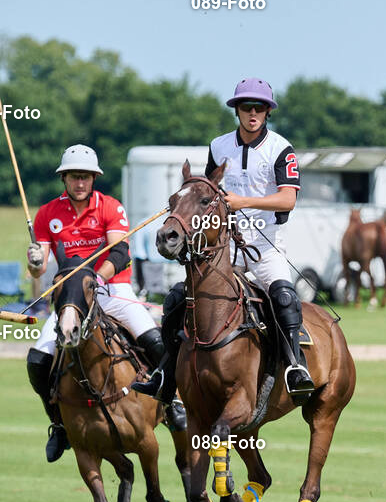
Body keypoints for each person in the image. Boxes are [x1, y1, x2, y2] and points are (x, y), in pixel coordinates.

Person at [134, 78, 314, 405]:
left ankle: (295, 367)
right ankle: (165, 374)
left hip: (265, 247)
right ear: (237, 111)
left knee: (284, 297)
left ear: (268, 112)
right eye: (246, 107)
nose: (253, 113)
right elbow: (208, 191)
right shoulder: (218, 146)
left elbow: (288, 199)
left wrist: (244, 201)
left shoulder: (280, 148)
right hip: (223, 247)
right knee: (176, 298)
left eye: (259, 108)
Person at [26, 144, 185, 463]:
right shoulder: (47, 214)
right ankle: (59, 424)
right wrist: (33, 261)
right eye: (74, 176)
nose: (80, 182)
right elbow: (39, 268)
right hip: (71, 299)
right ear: (64, 178)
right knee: (38, 360)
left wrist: (95, 280)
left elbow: (120, 252)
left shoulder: (110, 207)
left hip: (112, 289)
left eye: (85, 176)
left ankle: (175, 401)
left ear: (94, 178)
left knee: (155, 341)